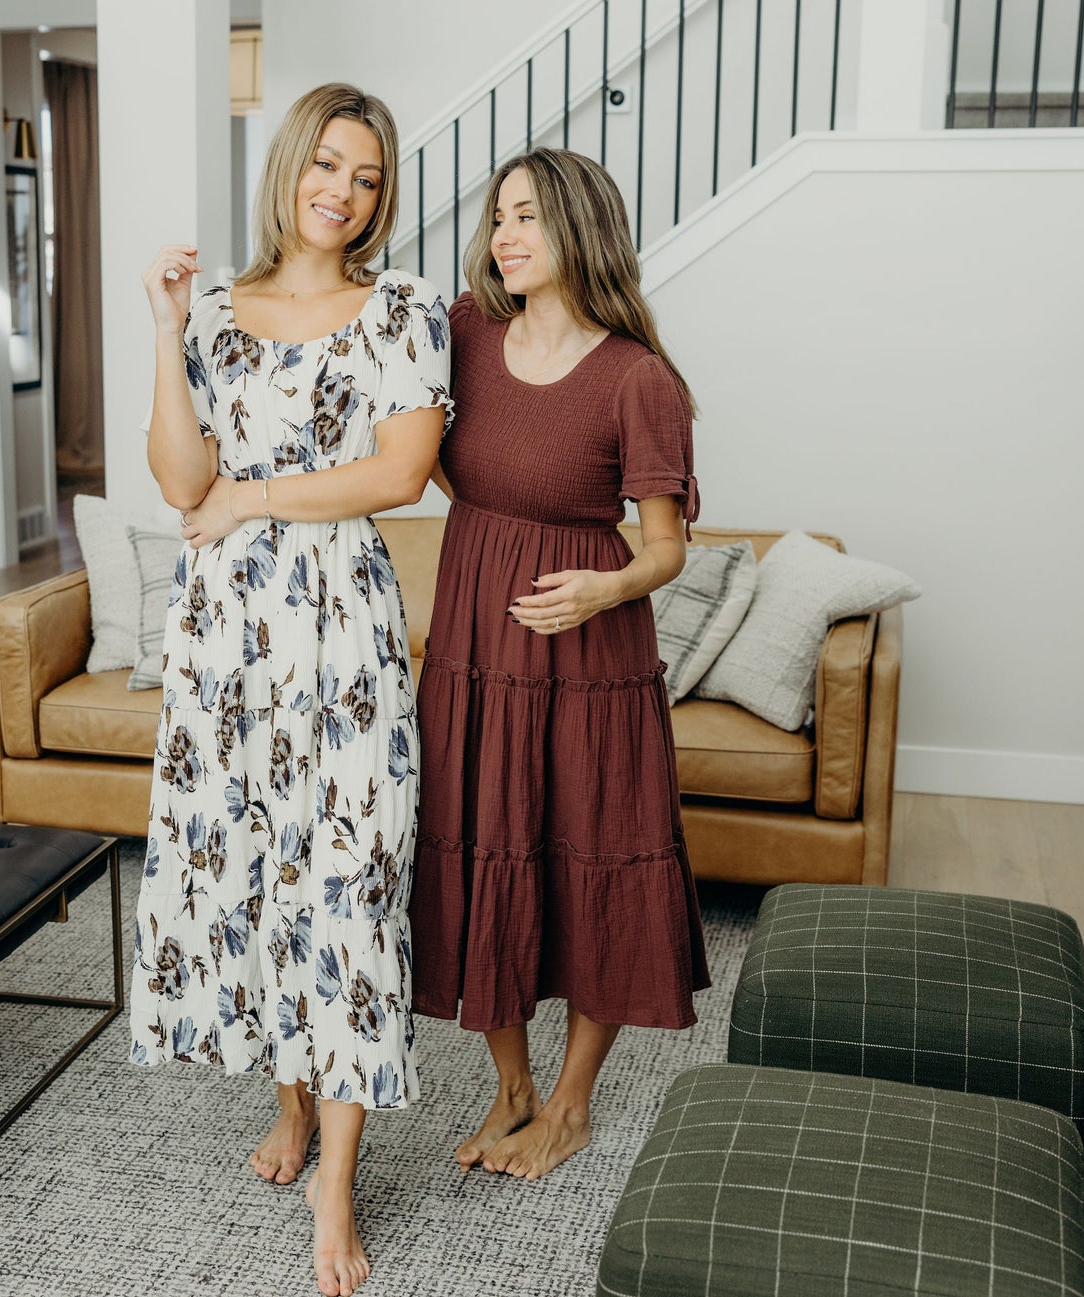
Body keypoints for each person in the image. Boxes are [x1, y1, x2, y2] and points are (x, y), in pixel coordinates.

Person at [128, 82, 451, 1297]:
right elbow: (180, 481)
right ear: (290, 166)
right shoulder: (215, 310)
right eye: (327, 165)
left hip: (342, 626)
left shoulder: (404, 307)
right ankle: (290, 1100)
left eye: (366, 177)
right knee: (260, 865)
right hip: (225, 635)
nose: (343, 192)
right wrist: (165, 331)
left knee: (351, 877)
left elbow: (400, 473)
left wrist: (253, 499)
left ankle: (338, 1181)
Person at [411, 148, 710, 1181]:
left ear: (579, 226)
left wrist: (601, 586)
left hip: (589, 651)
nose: (504, 235)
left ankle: (570, 1106)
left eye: (528, 215)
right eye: (498, 215)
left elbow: (666, 548)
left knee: (593, 858)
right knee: (475, 843)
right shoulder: (462, 333)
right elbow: (430, 459)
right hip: (474, 638)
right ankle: (511, 1088)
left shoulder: (636, 377)